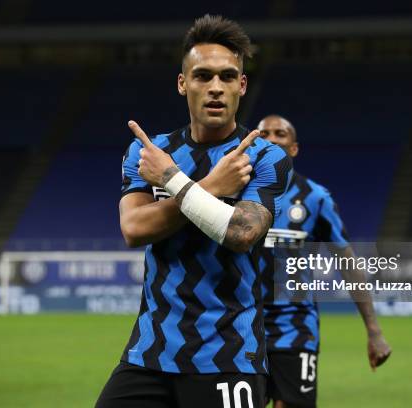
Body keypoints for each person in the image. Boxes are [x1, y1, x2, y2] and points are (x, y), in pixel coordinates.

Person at [96, 16, 292, 408]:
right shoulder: (149, 152)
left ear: (242, 85)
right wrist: (211, 188)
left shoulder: (266, 157)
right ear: (183, 83)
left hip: (230, 356)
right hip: (149, 354)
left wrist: (173, 180)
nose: (215, 87)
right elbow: (134, 228)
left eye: (226, 76)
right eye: (202, 76)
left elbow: (241, 234)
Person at [257, 115, 392, 408]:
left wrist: (374, 330)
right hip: (240, 325)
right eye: (263, 133)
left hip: (294, 326)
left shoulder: (315, 198)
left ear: (293, 148)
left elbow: (347, 263)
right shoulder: (231, 194)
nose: (270, 138)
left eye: (279, 134)